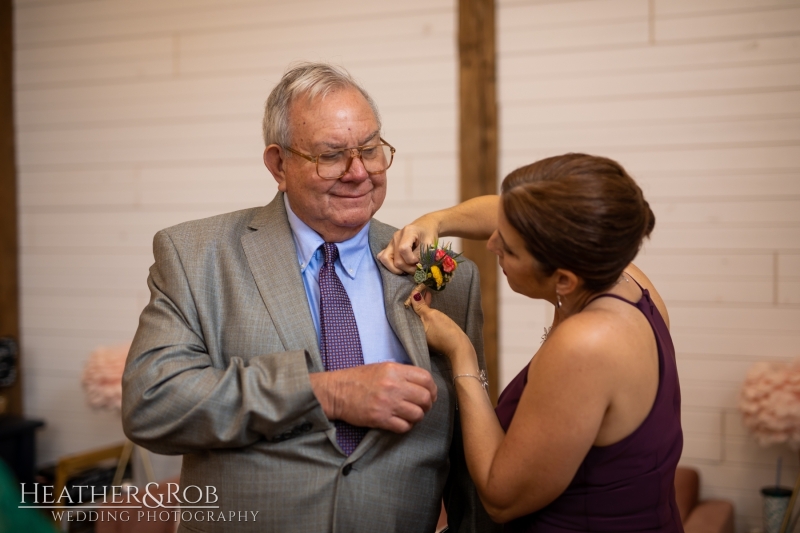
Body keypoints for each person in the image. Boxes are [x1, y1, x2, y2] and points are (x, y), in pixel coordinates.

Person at [122, 63, 499, 533]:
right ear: (279, 165)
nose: (358, 172)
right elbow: (152, 405)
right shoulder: (197, 256)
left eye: (370, 149)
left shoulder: (446, 277)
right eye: (331, 155)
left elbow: (470, 466)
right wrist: (327, 392)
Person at [379, 153, 684, 532]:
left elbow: (499, 496)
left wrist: (462, 354)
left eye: (507, 248)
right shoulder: (624, 275)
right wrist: (434, 222)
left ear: (563, 281)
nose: (491, 245)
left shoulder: (586, 345)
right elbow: (506, 213)